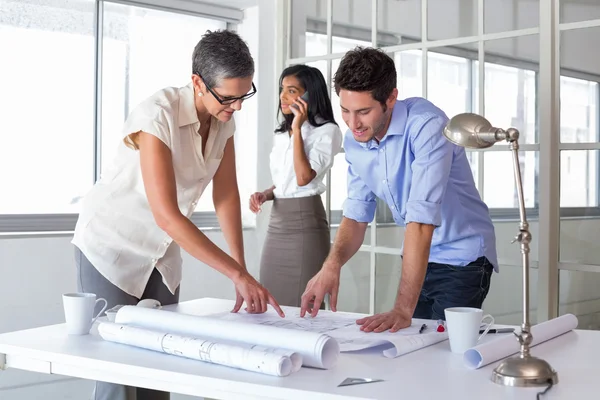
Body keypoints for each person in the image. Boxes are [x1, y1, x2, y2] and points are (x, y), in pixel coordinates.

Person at [71, 30, 283, 400]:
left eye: (244, 95)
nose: (237, 107)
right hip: (112, 246)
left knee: (162, 367)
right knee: (118, 372)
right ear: (198, 82)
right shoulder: (157, 115)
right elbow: (167, 214)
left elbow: (227, 195)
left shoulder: (224, 120)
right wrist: (235, 274)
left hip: (162, 252)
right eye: (228, 98)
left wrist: (241, 270)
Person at [300, 47, 498, 333]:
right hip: (419, 257)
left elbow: (420, 220)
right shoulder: (356, 140)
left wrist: (402, 309)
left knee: (441, 349)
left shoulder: (428, 126)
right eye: (345, 110)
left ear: (391, 98)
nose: (353, 123)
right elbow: (356, 215)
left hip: (461, 259)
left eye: (364, 111)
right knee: (413, 344)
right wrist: (331, 266)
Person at [249, 65, 342, 307]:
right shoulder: (283, 133)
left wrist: (298, 129)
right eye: (282, 89)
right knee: (270, 302)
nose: (283, 96)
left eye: (292, 91)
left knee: (303, 306)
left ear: (310, 95)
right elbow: (286, 181)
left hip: (305, 224)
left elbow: (303, 178)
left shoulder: (327, 131)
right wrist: (266, 193)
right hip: (277, 223)